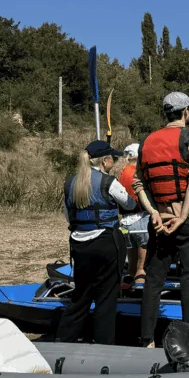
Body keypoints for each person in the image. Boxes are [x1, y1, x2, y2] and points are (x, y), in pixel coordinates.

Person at [133, 92, 189, 347]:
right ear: (186, 112)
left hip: (160, 221)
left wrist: (154, 212)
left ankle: (146, 340)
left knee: (153, 281)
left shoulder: (146, 142)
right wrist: (183, 215)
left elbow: (139, 183)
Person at [54, 140, 134, 345]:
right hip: (106, 242)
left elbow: (68, 216)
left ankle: (63, 340)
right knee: (106, 299)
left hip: (79, 244)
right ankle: (103, 345)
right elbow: (129, 203)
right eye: (113, 159)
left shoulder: (70, 182)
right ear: (105, 160)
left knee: (81, 295)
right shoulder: (108, 182)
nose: (114, 162)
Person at [118, 143, 149, 284]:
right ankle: (139, 299)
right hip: (142, 220)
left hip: (125, 222)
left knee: (131, 266)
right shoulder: (140, 172)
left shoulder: (122, 173)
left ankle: (127, 295)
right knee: (142, 267)